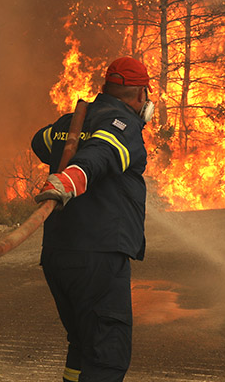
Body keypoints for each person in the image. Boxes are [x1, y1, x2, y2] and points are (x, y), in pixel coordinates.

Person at [30, 57, 154, 382]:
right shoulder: (124, 125)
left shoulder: (70, 122)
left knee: (83, 344)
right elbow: (101, 153)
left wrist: (69, 136)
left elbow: (39, 141)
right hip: (97, 255)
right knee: (108, 354)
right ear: (141, 95)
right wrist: (73, 178)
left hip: (59, 256)